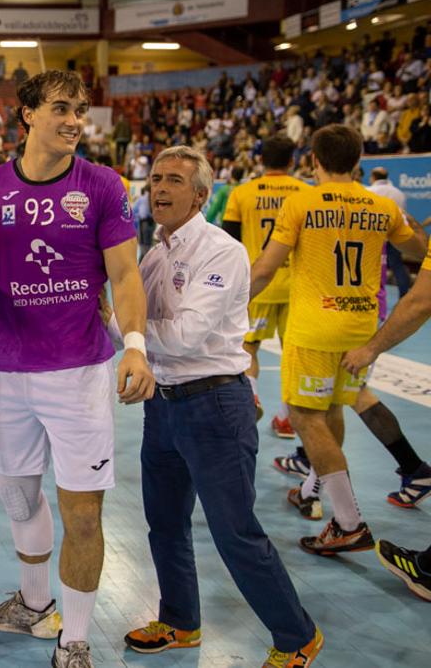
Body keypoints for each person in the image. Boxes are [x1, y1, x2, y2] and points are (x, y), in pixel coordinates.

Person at [0, 69, 154, 668]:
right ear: (28, 114)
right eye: (61, 108)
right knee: (16, 496)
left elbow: (125, 274)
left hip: (79, 375)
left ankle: (76, 640)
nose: (74, 120)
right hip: (8, 372)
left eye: (80, 110)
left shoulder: (102, 184)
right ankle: (36, 606)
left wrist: (134, 344)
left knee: (82, 513)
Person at [117, 146, 322, 668]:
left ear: (202, 196)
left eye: (174, 181)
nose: (159, 189)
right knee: (164, 523)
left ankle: (297, 636)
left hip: (213, 405)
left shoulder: (222, 250)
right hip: (163, 406)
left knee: (235, 532)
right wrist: (122, 326)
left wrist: (130, 331)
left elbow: (185, 337)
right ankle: (180, 621)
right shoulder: (155, 253)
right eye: (156, 179)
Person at [250, 124, 426, 557]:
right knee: (332, 410)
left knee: (307, 418)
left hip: (314, 328)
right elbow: (420, 249)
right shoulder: (381, 207)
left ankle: (349, 523)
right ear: (359, 160)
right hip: (363, 327)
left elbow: (266, 268)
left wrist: (228, 303)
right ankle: (312, 490)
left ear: (314, 160)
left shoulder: (301, 203)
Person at [343, 244, 431, 597]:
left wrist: (371, 348)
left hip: (344, 313)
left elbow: (421, 300)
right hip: (363, 308)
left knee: (343, 394)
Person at [221, 134, 304, 435]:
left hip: (256, 280)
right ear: (293, 160)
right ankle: (287, 419)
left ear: (260, 160)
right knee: (293, 352)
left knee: (248, 347)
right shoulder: (306, 193)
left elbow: (229, 241)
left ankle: (251, 397)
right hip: (297, 286)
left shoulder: (243, 193)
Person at [368, 166, 412, 297]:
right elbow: (402, 215)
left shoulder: (369, 191)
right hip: (394, 235)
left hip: (375, 236)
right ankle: (404, 295)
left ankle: (371, 298)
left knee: (370, 268)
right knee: (397, 265)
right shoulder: (399, 193)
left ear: (373, 177)